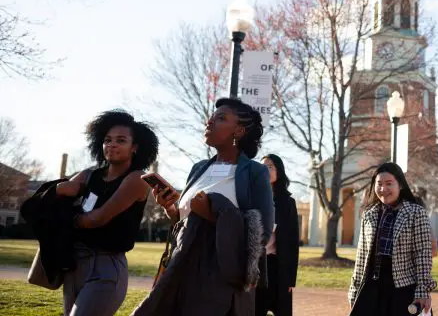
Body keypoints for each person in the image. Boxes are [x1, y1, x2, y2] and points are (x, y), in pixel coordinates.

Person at [131, 98, 274, 316]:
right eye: (212, 116)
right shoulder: (198, 168)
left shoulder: (255, 172)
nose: (209, 121)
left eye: (221, 118)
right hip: (182, 265)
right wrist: (170, 207)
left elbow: (261, 231)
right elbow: (183, 221)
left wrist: (213, 212)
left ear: (239, 131)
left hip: (219, 274)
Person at [54, 110, 159, 316]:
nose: (112, 144)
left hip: (106, 267)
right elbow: (57, 192)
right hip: (75, 263)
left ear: (135, 147)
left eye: (121, 140)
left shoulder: (137, 179)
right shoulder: (89, 175)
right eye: (107, 140)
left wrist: (68, 220)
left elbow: (98, 218)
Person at [348, 162, 437, 315]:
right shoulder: (369, 214)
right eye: (379, 184)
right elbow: (361, 257)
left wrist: (422, 291)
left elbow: (422, 254)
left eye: (389, 184)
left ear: (400, 185)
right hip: (371, 286)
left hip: (403, 289)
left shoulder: (416, 213)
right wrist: (354, 290)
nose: (383, 189)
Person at [256, 154, 299, 316]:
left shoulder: (288, 202)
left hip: (277, 266)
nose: (265, 170)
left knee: (281, 309)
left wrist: (290, 278)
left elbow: (292, 242)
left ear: (279, 171)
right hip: (256, 266)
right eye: (262, 167)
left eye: (270, 166)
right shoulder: (251, 197)